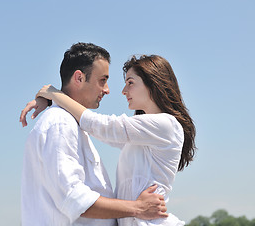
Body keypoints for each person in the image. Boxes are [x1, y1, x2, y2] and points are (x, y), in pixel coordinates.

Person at [22, 54, 196, 226]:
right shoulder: (142, 137)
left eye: (130, 83)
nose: (123, 91)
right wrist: (51, 101)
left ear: (153, 83)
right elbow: (97, 128)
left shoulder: (167, 125)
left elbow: (100, 125)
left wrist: (55, 95)